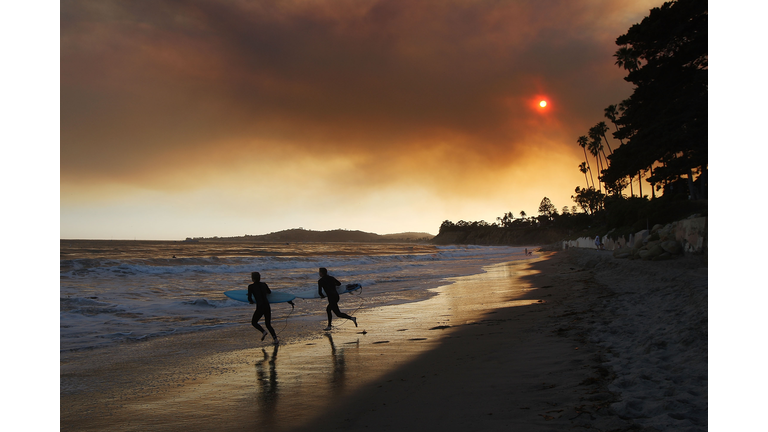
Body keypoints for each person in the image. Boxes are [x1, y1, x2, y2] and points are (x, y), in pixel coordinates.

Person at [248, 272, 278, 344]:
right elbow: (269, 292)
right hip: (267, 306)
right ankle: (275, 339)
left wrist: (251, 301)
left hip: (260, 307)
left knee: (254, 322)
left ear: (253, 278)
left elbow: (249, 298)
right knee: (268, 324)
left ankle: (263, 331)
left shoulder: (251, 287)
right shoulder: (264, 284)